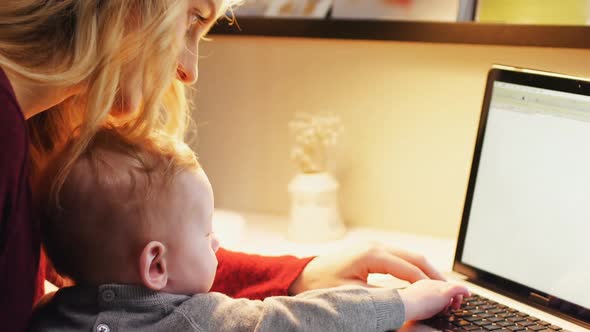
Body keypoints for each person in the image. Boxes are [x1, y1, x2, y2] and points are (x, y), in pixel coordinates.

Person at [0, 1, 446, 330]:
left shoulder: (45, 151)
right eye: (194, 18)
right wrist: (399, 305)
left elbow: (145, 273)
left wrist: (297, 275)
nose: (189, 70)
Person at [29, 128, 470, 331]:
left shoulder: (44, 317)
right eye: (206, 232)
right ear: (156, 264)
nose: (217, 242)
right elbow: (303, 321)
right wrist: (404, 301)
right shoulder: (196, 319)